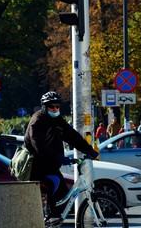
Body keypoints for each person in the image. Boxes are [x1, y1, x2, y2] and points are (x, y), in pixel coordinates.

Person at [24, 91, 98, 226]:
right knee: (56, 183)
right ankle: (52, 216)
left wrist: (88, 149)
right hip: (36, 164)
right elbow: (38, 146)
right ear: (44, 107)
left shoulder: (57, 119)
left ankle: (52, 217)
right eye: (52, 106)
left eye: (57, 106)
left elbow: (71, 135)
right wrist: (57, 157)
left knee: (63, 191)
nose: (55, 109)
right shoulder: (38, 120)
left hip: (50, 163)